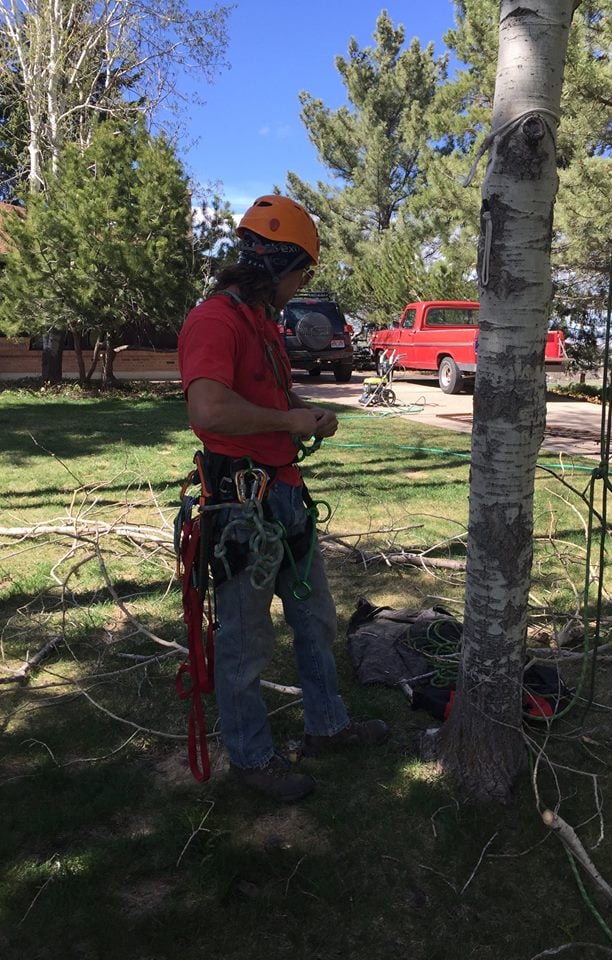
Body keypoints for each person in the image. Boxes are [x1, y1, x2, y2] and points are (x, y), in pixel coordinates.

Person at [177, 195, 388, 802]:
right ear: (279, 267)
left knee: (315, 619)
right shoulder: (216, 321)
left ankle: (328, 726)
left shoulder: (262, 322)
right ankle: (250, 759)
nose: (302, 287)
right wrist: (290, 421)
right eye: (302, 274)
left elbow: (268, 403)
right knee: (245, 642)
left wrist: (301, 415)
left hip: (284, 498)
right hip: (242, 509)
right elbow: (208, 409)